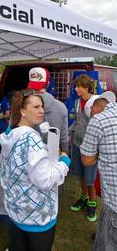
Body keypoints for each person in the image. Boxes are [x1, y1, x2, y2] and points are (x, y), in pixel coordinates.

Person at [0, 89, 71, 251]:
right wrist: (64, 163)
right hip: (38, 216)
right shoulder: (32, 139)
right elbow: (44, 180)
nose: (42, 111)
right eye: (36, 107)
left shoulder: (11, 134)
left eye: (42, 106)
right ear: (22, 111)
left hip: (17, 210)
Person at [80, 93, 117, 251]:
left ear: (94, 109)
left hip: (114, 200)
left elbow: (87, 160)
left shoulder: (98, 120)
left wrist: (101, 154)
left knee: (108, 243)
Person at [69, 74, 98, 222]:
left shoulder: (96, 103)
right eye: (76, 86)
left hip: (91, 147)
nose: (76, 88)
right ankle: (84, 197)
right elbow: (77, 122)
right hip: (77, 143)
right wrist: (67, 132)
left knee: (90, 178)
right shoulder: (76, 102)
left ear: (86, 87)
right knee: (80, 174)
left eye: (78, 86)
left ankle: (92, 204)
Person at [27, 67, 69, 153]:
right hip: (53, 154)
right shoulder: (61, 107)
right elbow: (64, 136)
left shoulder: (21, 105)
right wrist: (65, 152)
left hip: (29, 155)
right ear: (48, 83)